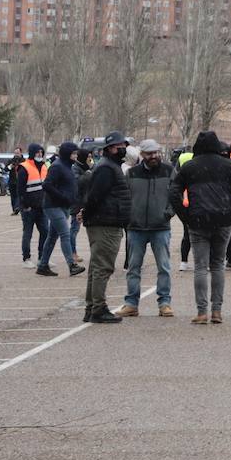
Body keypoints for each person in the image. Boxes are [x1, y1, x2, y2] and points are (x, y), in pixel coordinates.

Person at [171, 131, 231, 324]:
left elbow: (174, 191)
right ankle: (217, 311)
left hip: (198, 219)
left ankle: (202, 311)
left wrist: (185, 215)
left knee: (200, 267)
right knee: (218, 265)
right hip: (223, 218)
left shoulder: (189, 167)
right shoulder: (229, 166)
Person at [80, 132, 133, 324]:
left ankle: (91, 307)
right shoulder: (107, 169)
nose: (123, 149)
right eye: (120, 146)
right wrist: (88, 213)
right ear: (110, 148)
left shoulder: (110, 166)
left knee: (96, 267)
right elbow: (95, 196)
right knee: (102, 267)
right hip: (105, 223)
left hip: (104, 221)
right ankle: (98, 308)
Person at [120, 140, 175, 318]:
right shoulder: (132, 173)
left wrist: (168, 212)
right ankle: (131, 304)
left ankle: (164, 302)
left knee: (164, 267)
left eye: (156, 153)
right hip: (136, 228)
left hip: (161, 227)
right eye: (150, 154)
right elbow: (124, 196)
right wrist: (128, 217)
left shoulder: (168, 171)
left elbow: (176, 194)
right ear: (142, 155)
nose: (154, 156)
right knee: (134, 267)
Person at [37, 142, 84, 277]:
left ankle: (42, 266)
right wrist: (63, 197)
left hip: (64, 206)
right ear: (67, 153)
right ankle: (72, 265)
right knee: (65, 234)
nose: (76, 155)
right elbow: (47, 185)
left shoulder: (68, 166)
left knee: (52, 237)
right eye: (73, 153)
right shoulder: (57, 166)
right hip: (53, 206)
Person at [15, 143, 50, 268]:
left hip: (42, 207)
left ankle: (42, 257)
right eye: (37, 152)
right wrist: (24, 205)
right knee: (28, 233)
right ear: (32, 153)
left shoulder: (45, 166)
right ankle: (26, 258)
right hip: (28, 208)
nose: (40, 154)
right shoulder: (24, 167)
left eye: (41, 152)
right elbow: (20, 189)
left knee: (45, 232)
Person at [6, 145, 23, 213]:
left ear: (21, 153)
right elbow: (6, 169)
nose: (16, 154)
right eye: (15, 153)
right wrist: (10, 166)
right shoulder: (11, 160)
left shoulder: (24, 161)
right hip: (12, 181)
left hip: (20, 181)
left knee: (19, 195)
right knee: (13, 196)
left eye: (18, 153)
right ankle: (14, 209)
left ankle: (17, 207)